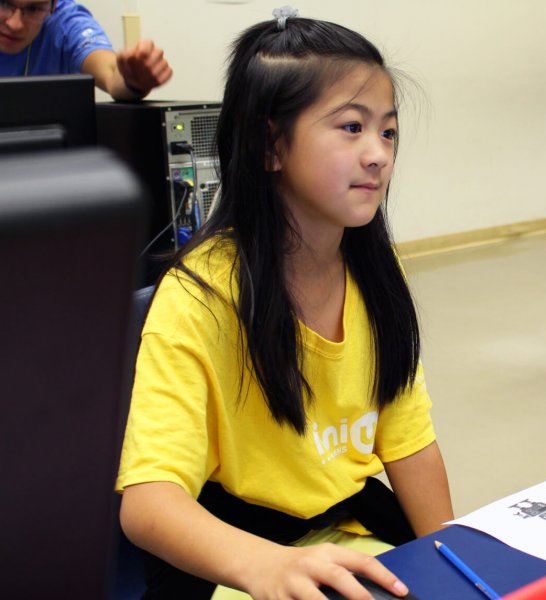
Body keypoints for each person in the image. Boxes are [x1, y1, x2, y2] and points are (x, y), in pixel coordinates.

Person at [116, 8, 453, 600]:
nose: (378, 154)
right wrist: (267, 566)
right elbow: (148, 505)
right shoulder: (201, 296)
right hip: (238, 557)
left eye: (388, 131)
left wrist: (455, 564)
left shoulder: (377, 274)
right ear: (271, 146)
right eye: (352, 127)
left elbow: (410, 444)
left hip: (351, 533)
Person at [0, 0, 171, 100]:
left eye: (33, 9)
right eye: (4, 3)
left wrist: (132, 80)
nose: (15, 25)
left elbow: (110, 72)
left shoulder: (65, 22)